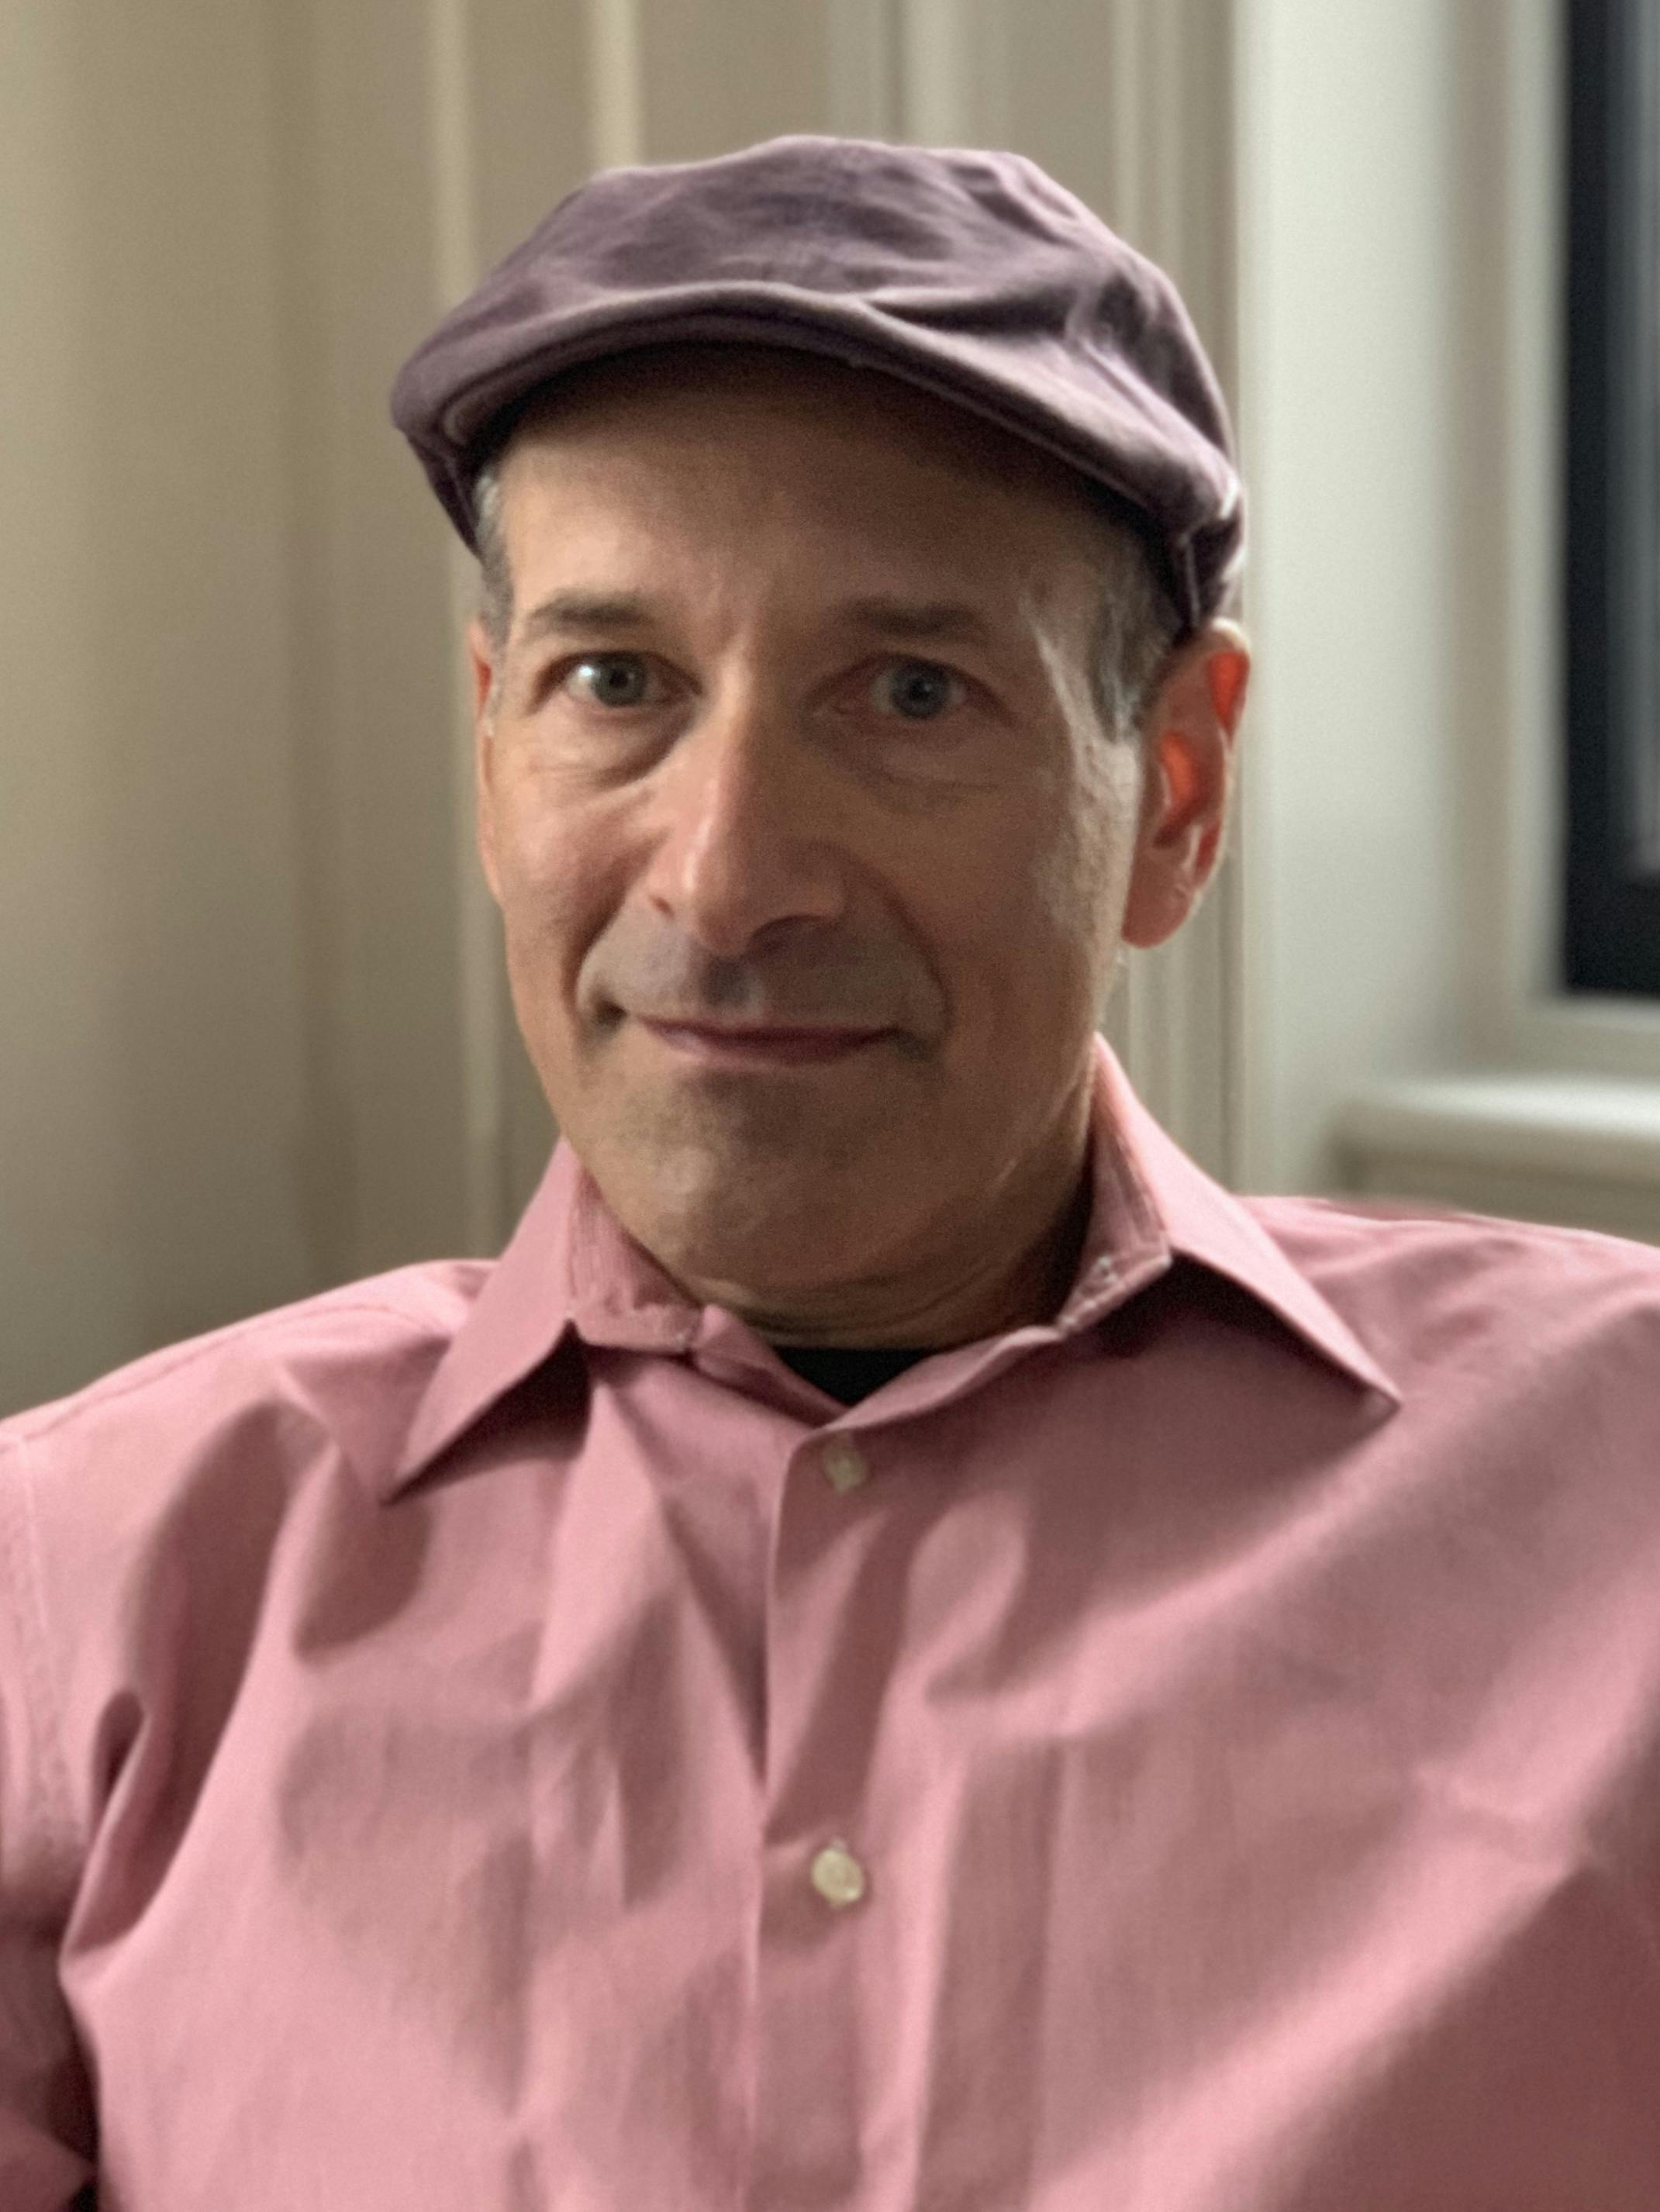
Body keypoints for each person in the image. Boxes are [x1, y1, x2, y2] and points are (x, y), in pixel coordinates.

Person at [2, 133, 1658, 2212]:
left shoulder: (1625, 1505)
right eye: (618, 684)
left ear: (1174, 793)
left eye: (910, 694)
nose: (728, 880)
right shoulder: (82, 1583)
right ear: (493, 750)